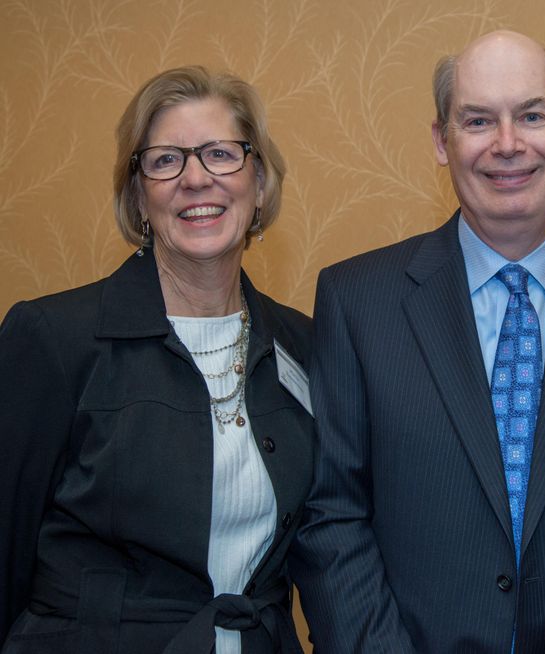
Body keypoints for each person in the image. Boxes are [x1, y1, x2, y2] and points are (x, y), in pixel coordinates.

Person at [291, 30, 545, 653]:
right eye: (478, 120)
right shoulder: (357, 302)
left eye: (532, 115)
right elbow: (332, 518)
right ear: (441, 141)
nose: (508, 145)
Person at [0, 66, 314, 654]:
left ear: (260, 183)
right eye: (166, 160)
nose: (196, 179)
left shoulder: (307, 345)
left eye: (221, 154)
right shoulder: (54, 339)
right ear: (139, 193)